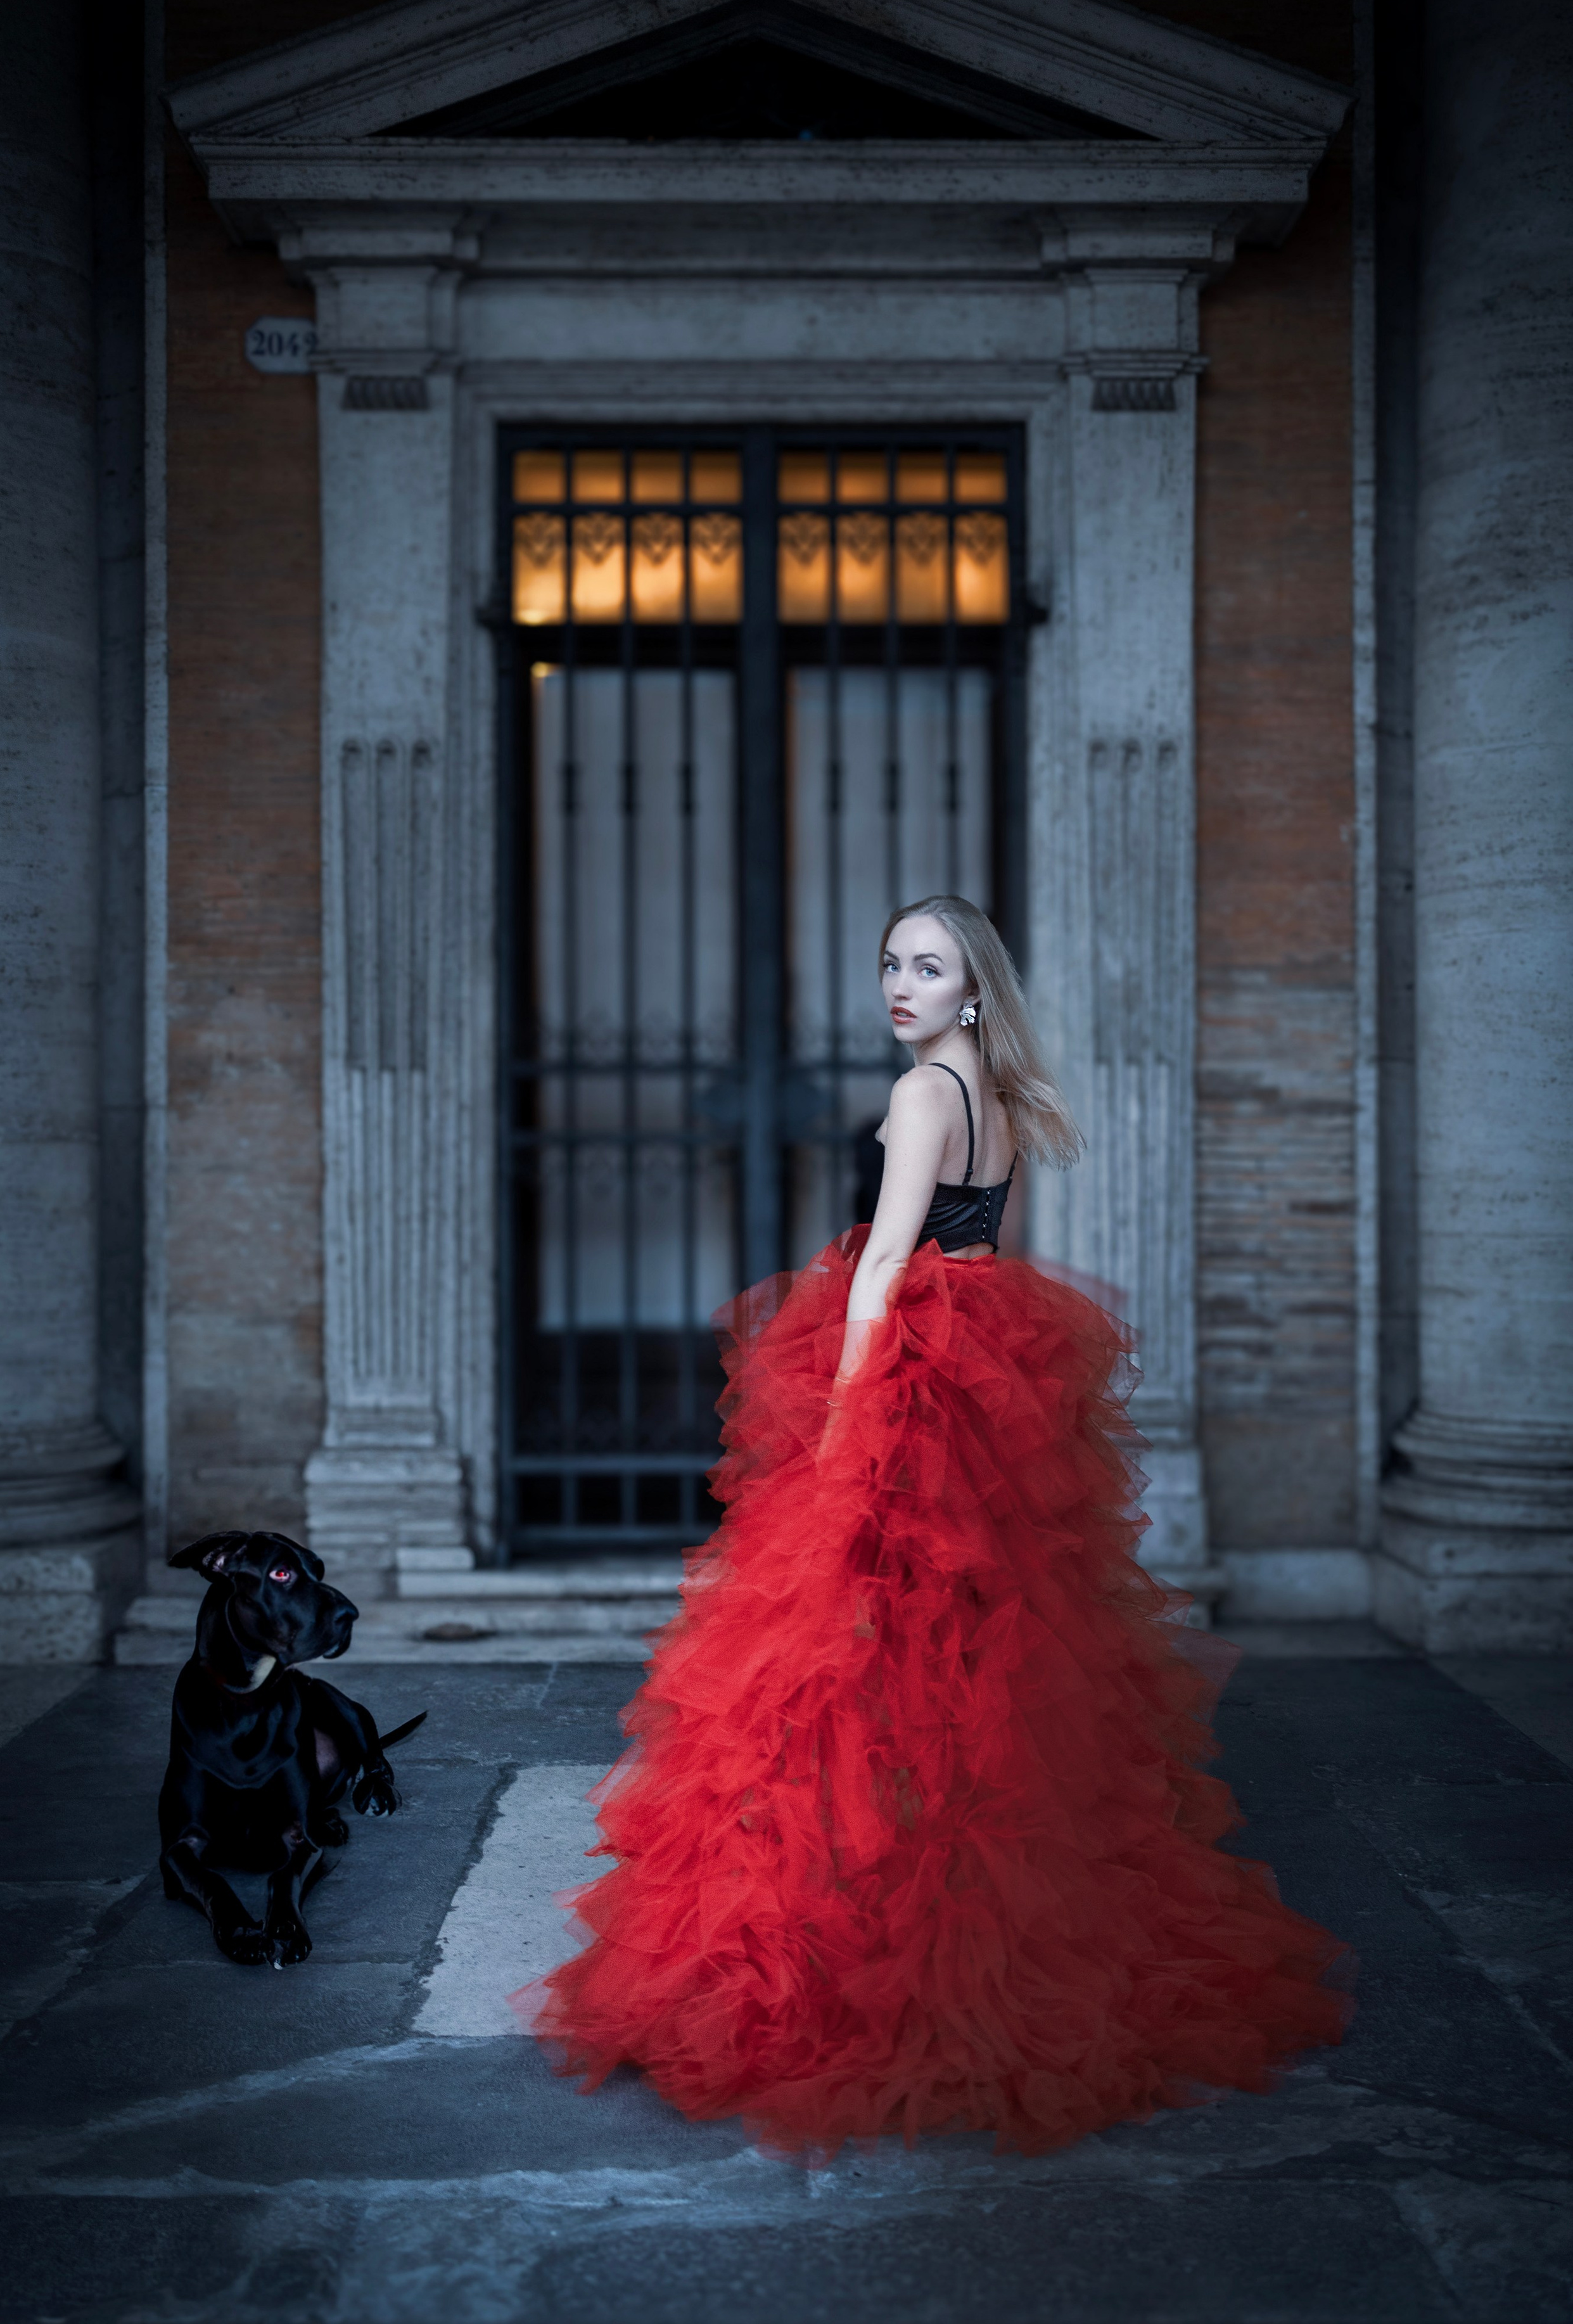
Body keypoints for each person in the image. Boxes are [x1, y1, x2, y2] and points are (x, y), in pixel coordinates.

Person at [519, 895, 1351, 2157]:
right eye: (887, 965)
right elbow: (979, 1248)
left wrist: (845, 1422)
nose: (896, 987)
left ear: (972, 989)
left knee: (846, 1659)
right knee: (973, 1657)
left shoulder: (921, 1097)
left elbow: (881, 1265)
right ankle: (970, 1904)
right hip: (983, 1373)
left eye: (925, 968)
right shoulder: (1000, 1098)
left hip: (911, 1379)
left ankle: (859, 1938)